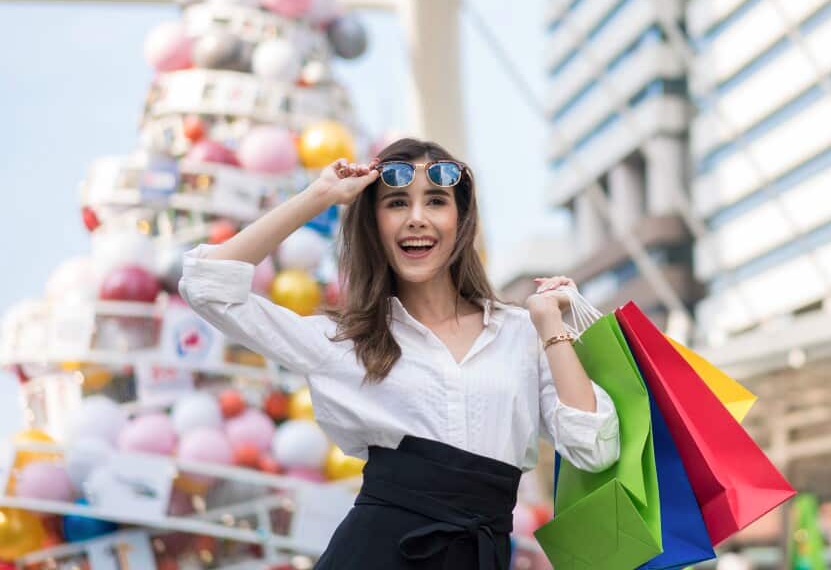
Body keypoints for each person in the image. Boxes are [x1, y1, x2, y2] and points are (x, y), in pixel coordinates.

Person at [179, 138, 620, 569]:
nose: (416, 218)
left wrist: (550, 325)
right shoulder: (344, 341)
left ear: (461, 219)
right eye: (395, 203)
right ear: (374, 225)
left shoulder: (520, 333)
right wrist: (321, 196)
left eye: (435, 201)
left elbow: (595, 448)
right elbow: (207, 285)